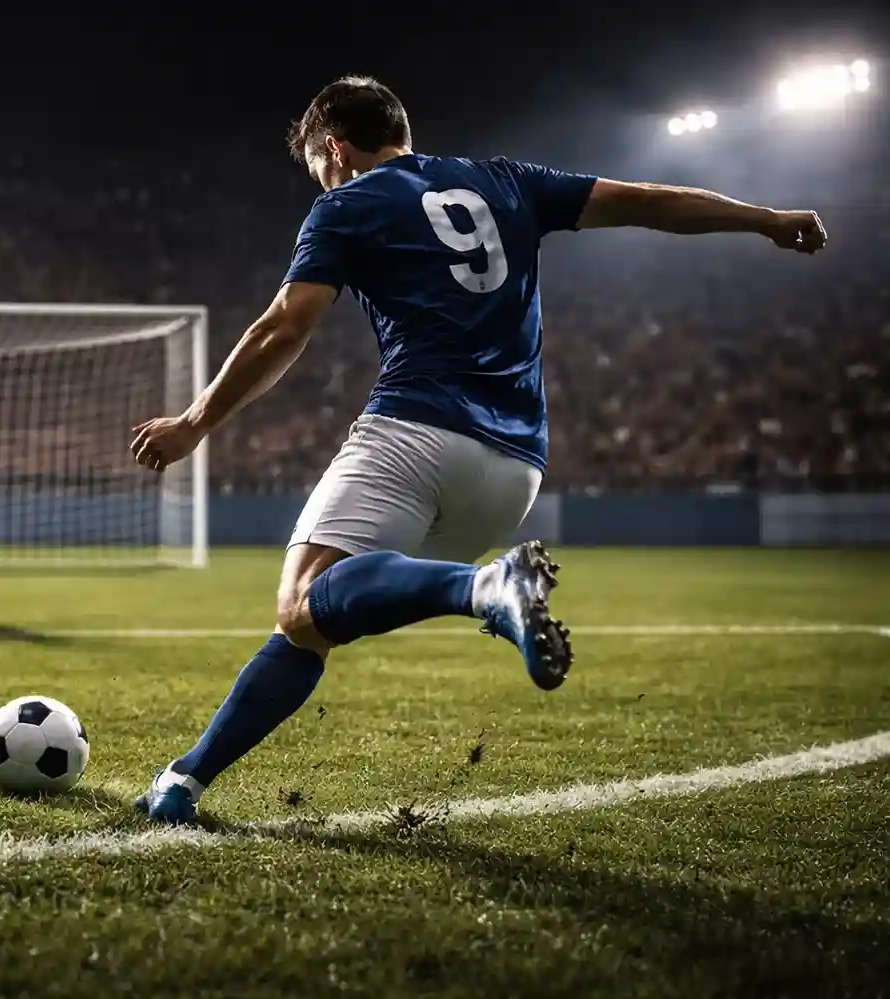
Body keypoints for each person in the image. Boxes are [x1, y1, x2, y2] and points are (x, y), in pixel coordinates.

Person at [128, 75, 826, 823]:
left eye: (317, 166)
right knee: (314, 620)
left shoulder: (345, 203)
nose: (321, 182)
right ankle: (184, 781)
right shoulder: (505, 181)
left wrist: (196, 421)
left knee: (303, 601)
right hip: (514, 468)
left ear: (334, 147)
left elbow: (283, 327)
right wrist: (765, 218)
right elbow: (649, 201)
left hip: (417, 430)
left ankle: (482, 590)